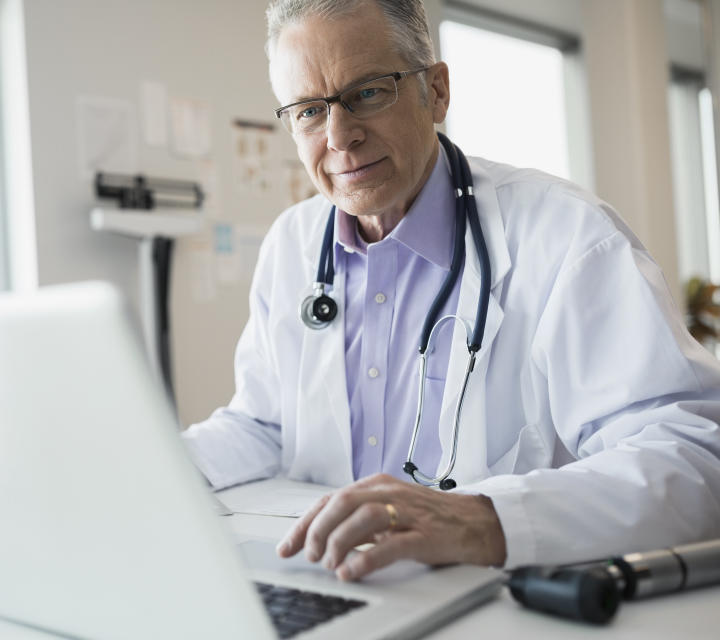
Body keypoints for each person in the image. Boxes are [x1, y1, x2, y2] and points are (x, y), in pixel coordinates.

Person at [182, 0, 720, 581]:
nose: (340, 136)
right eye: (310, 110)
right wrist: (137, 465)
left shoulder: (567, 235)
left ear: (435, 91)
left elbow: (692, 456)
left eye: (368, 93)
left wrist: (483, 520)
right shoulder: (291, 244)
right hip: (334, 580)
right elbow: (263, 423)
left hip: (502, 594)